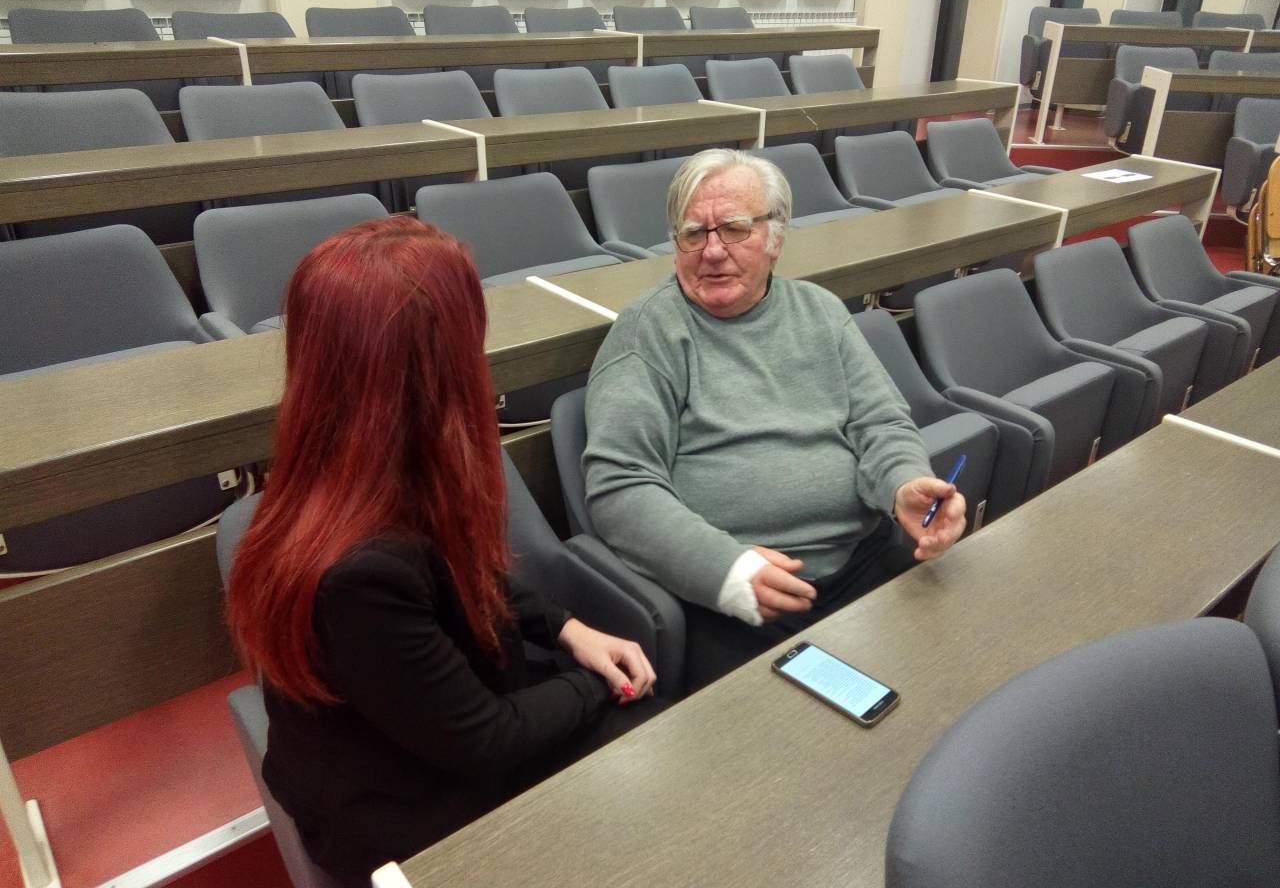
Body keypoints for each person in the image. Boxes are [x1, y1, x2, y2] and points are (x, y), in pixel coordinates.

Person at [225, 216, 658, 886]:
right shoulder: (362, 572)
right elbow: (485, 740)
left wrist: (567, 628)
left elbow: (466, 577)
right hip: (407, 816)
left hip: (434, 735)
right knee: (647, 762)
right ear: (429, 364)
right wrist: (599, 683)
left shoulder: (359, 468)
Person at [582, 148, 966, 690]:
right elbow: (619, 486)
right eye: (693, 234)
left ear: (775, 238)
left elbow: (880, 424)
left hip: (862, 561)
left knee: (952, 678)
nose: (713, 251)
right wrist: (726, 571)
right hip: (737, 601)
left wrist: (903, 482)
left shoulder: (820, 311)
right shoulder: (649, 332)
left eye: (734, 229)